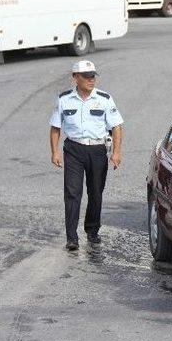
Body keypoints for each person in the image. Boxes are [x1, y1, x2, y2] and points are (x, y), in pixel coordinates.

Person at [49, 60, 124, 251]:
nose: (91, 80)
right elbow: (55, 127)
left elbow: (116, 126)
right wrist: (55, 151)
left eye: (93, 76)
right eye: (86, 76)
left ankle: (92, 230)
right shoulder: (64, 99)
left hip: (97, 150)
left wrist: (116, 151)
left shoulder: (105, 99)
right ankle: (72, 237)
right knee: (72, 193)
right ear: (75, 78)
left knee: (96, 192)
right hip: (73, 149)